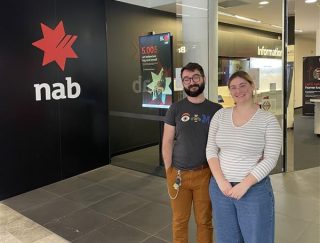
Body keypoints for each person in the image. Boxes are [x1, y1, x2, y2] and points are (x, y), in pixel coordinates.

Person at [206, 70, 282, 243]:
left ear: (252, 86)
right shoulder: (220, 115)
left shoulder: (268, 120)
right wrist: (221, 181)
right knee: (227, 238)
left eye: (242, 85)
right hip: (220, 190)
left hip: (253, 191)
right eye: (233, 87)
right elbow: (211, 149)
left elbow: (270, 158)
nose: (238, 91)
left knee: (257, 238)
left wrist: (244, 185)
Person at [162, 62, 222, 243]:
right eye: (186, 79)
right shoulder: (175, 109)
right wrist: (169, 171)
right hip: (178, 174)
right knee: (179, 221)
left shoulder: (216, 110)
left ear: (203, 79)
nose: (192, 82)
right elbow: (167, 141)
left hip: (205, 175)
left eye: (196, 77)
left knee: (204, 221)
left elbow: (221, 145)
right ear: (183, 83)